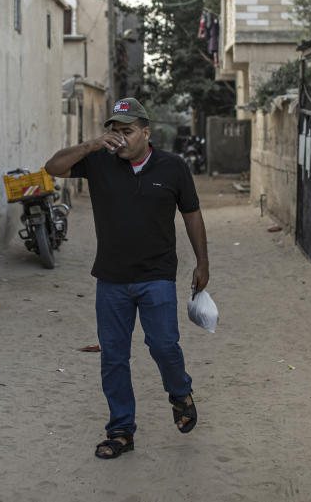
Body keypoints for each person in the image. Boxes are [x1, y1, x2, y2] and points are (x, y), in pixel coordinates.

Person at [44, 98, 210, 460]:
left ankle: (180, 392)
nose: (119, 138)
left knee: (163, 345)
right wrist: (90, 144)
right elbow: (53, 167)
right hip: (112, 278)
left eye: (127, 131)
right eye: (113, 130)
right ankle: (120, 430)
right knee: (114, 358)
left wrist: (202, 262)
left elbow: (192, 215)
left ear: (145, 134)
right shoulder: (98, 161)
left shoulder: (173, 167)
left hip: (157, 276)